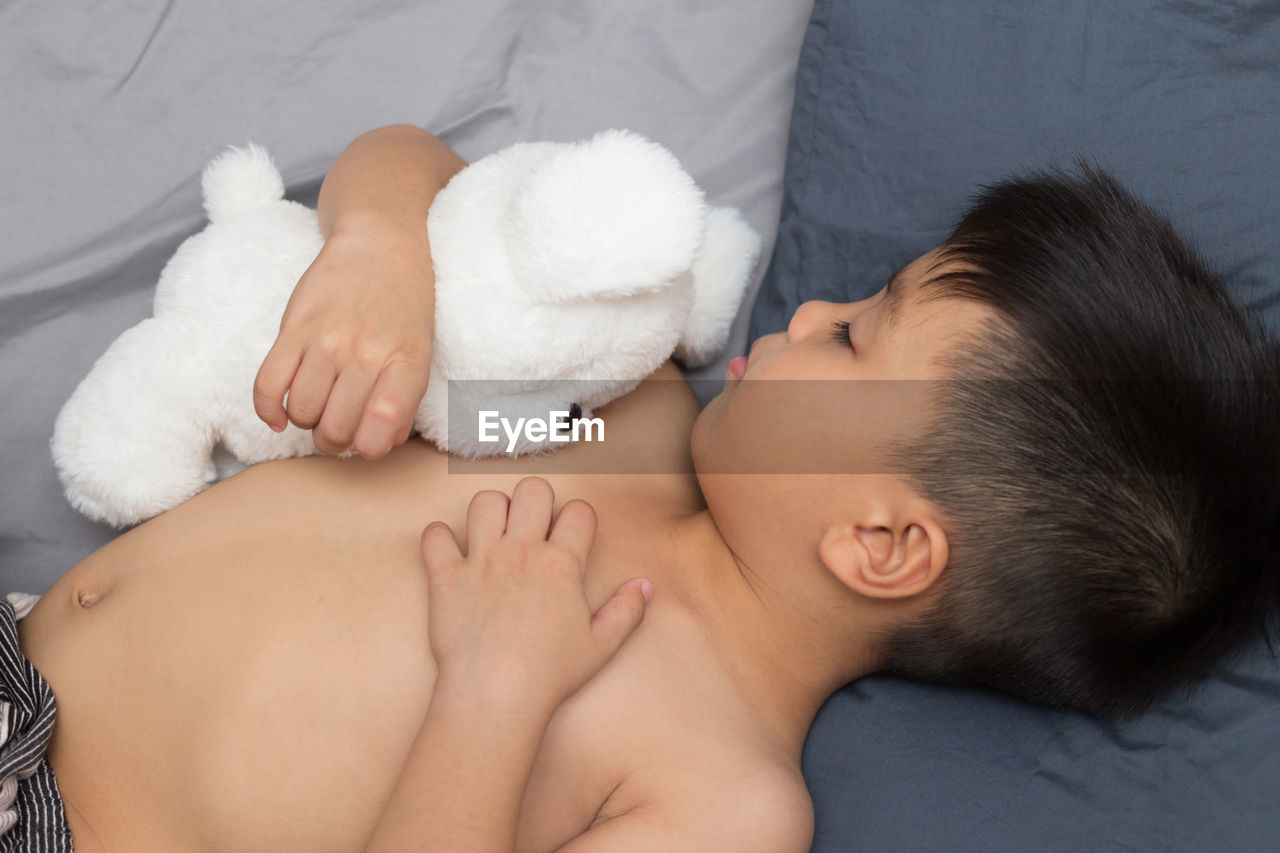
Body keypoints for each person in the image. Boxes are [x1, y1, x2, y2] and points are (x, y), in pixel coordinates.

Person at [5, 124, 1278, 851]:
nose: (810, 308)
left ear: (881, 543)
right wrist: (385, 254)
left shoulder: (720, 795)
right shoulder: (624, 422)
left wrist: (494, 689)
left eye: (851, 337)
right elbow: (417, 189)